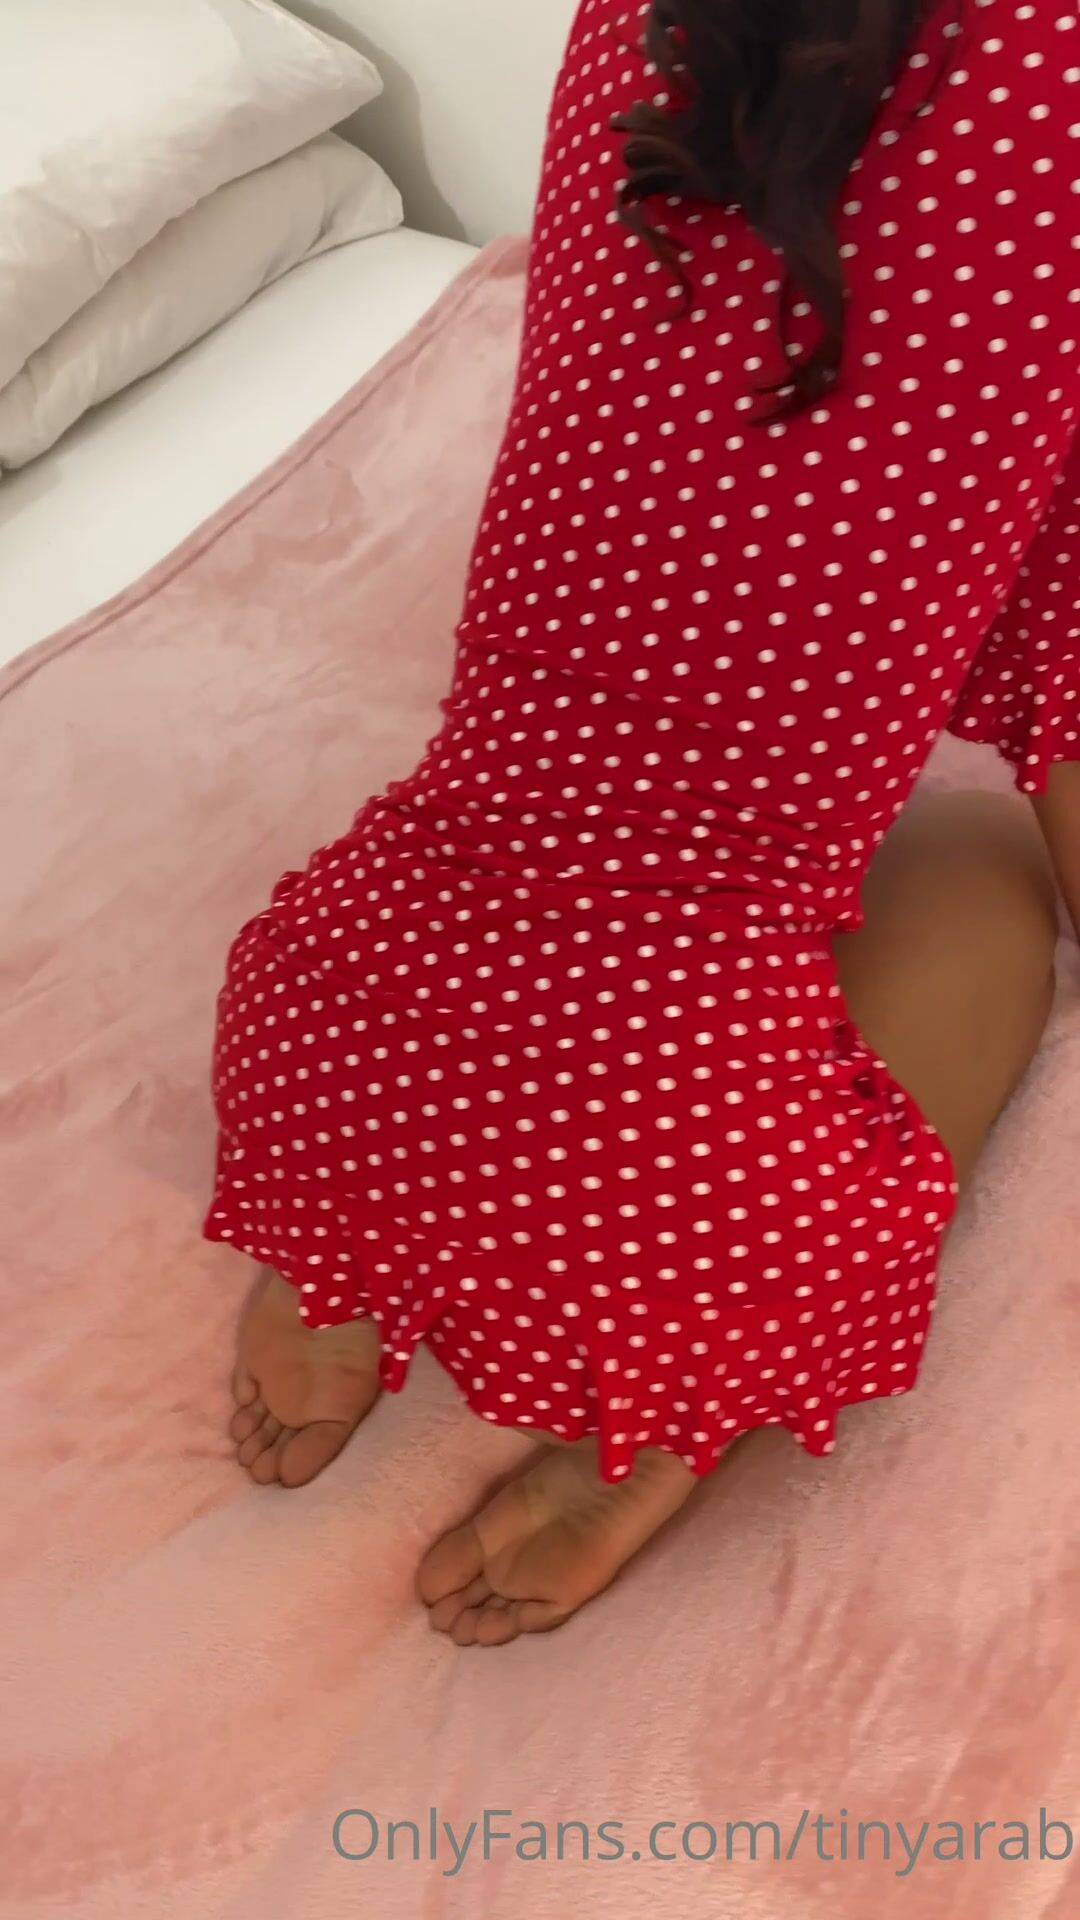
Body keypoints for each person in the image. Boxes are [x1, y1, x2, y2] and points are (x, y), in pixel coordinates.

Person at [206, 0, 1079, 1647]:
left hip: (323, 1016)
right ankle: (678, 1413)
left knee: (489, 926)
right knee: (979, 855)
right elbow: (1063, 645)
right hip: (674, 1159)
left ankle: (341, 1261)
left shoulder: (647, 20)